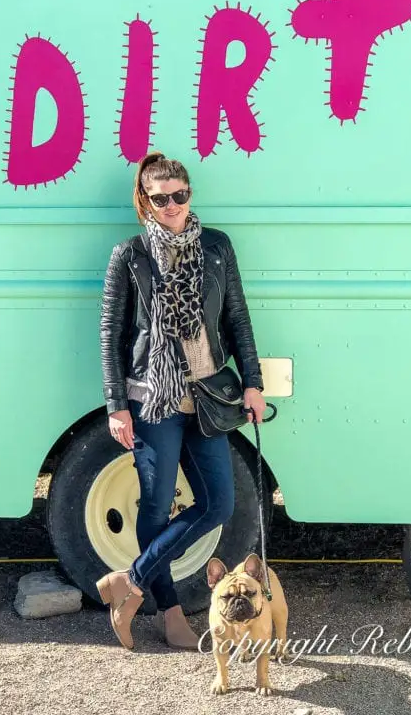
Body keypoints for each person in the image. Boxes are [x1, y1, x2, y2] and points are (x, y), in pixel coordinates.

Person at [96, 150, 268, 651]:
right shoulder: (129, 255)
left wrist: (252, 381)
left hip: (209, 396)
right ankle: (169, 612)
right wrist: (115, 405)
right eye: (160, 198)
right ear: (145, 201)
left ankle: (127, 582)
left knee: (219, 503)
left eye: (180, 195)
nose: (171, 205)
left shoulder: (216, 247)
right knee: (155, 505)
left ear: (189, 195)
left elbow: (237, 319)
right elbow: (111, 335)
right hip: (153, 400)